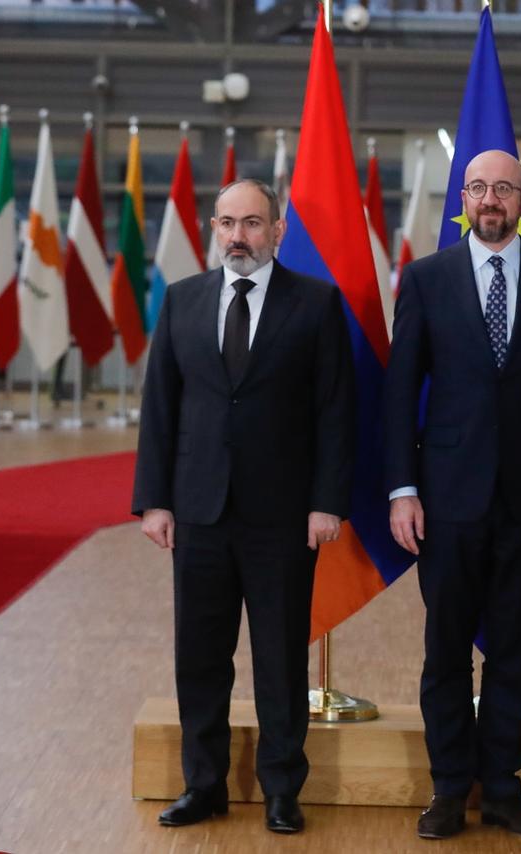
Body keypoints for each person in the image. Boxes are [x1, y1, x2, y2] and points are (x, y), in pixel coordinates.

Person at [383, 149, 521, 840]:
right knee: (445, 648)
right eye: (478, 187)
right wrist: (401, 489)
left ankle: (504, 786)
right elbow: (399, 395)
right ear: (464, 198)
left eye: (503, 188)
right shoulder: (425, 278)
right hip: (445, 495)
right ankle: (449, 788)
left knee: (517, 645)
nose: (490, 199)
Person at [131, 178, 355, 836]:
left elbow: (336, 413)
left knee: (281, 657)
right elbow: (160, 410)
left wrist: (326, 503)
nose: (239, 236)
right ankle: (203, 785)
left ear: (277, 230)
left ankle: (282, 789)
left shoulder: (315, 304)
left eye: (253, 223)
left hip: (283, 518)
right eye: (228, 222)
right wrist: (154, 502)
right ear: (213, 228)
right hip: (198, 512)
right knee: (200, 656)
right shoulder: (181, 302)